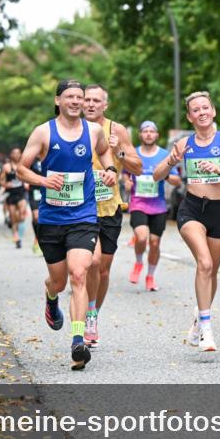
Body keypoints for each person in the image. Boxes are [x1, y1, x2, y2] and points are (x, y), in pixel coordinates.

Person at [15, 79, 118, 371]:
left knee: (79, 274)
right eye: (70, 96)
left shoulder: (93, 131)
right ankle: (51, 297)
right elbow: (21, 168)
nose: (76, 101)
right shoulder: (43, 132)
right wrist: (43, 180)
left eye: (80, 97)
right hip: (51, 219)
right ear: (58, 100)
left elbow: (104, 152)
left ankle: (77, 342)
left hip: (83, 216)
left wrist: (110, 169)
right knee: (59, 282)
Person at [152, 91, 220, 353]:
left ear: (213, 111)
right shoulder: (184, 143)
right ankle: (207, 329)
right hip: (193, 209)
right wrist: (171, 160)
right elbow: (157, 175)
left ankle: (199, 318)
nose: (202, 112)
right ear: (189, 116)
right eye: (196, 110)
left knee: (211, 271)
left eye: (205, 108)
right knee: (204, 263)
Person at [81, 84, 142, 347]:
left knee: (103, 271)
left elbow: (138, 167)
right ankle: (86, 314)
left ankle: (93, 314)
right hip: (81, 209)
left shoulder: (116, 130)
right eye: (87, 100)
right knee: (92, 263)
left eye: (96, 100)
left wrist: (119, 153)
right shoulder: (73, 129)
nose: (91, 104)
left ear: (105, 105)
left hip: (109, 208)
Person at [127, 120, 182, 291]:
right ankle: (138, 263)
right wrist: (126, 182)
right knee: (141, 237)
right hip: (138, 204)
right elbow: (125, 172)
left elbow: (177, 181)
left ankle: (150, 276)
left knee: (155, 243)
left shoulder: (165, 154)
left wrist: (164, 174)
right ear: (140, 135)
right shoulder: (133, 153)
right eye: (145, 131)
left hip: (158, 206)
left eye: (152, 131)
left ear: (157, 135)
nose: (149, 134)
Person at [0, 148, 30, 249]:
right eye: (14, 153)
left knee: (21, 214)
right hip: (11, 194)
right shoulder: (6, 167)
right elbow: (0, 181)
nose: (16, 155)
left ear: (21, 154)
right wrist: (5, 184)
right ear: (11, 155)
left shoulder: (24, 165)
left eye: (18, 153)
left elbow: (29, 176)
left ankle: (17, 230)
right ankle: (16, 237)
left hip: (21, 193)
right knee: (13, 217)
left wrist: (27, 183)